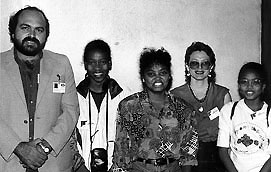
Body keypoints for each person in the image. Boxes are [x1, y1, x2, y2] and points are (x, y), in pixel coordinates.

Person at [0, 6, 79, 172]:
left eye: (39, 30)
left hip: (52, 163)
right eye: (25, 27)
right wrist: (18, 147)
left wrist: (44, 147)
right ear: (12, 33)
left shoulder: (61, 64)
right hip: (7, 164)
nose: (32, 35)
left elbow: (71, 112)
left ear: (46, 36)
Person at [112, 47, 198, 172]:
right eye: (151, 74)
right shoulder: (129, 106)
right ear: (143, 77)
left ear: (169, 76)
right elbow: (121, 149)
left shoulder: (183, 108)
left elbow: (188, 152)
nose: (157, 78)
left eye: (162, 73)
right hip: (139, 168)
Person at [171, 41, 232, 172]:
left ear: (211, 67)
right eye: (194, 63)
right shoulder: (175, 96)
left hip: (216, 160)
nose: (199, 68)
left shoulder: (223, 95)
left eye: (205, 63)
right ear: (187, 66)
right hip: (185, 161)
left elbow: (228, 136)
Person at [76, 39, 127, 171]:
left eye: (102, 62)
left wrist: (116, 167)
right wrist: (80, 167)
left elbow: (128, 140)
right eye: (92, 62)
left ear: (110, 64)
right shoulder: (74, 98)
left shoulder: (124, 99)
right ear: (85, 65)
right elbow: (70, 140)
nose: (97, 68)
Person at [217, 62, 271, 172]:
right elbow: (223, 150)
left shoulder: (269, 113)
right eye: (244, 82)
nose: (249, 86)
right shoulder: (229, 110)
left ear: (263, 86)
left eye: (255, 82)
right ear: (239, 85)